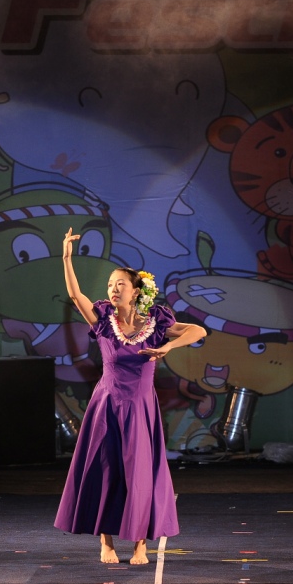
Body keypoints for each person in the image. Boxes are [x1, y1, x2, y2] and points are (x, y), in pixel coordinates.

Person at [54, 229, 206, 564]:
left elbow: (198, 330)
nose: (113, 289)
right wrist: (66, 256)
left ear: (136, 291)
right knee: (106, 469)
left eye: (120, 284)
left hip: (140, 407)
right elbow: (76, 295)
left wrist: (168, 346)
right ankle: (106, 542)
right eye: (110, 284)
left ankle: (140, 543)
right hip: (107, 404)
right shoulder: (103, 321)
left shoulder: (156, 322)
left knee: (139, 474)